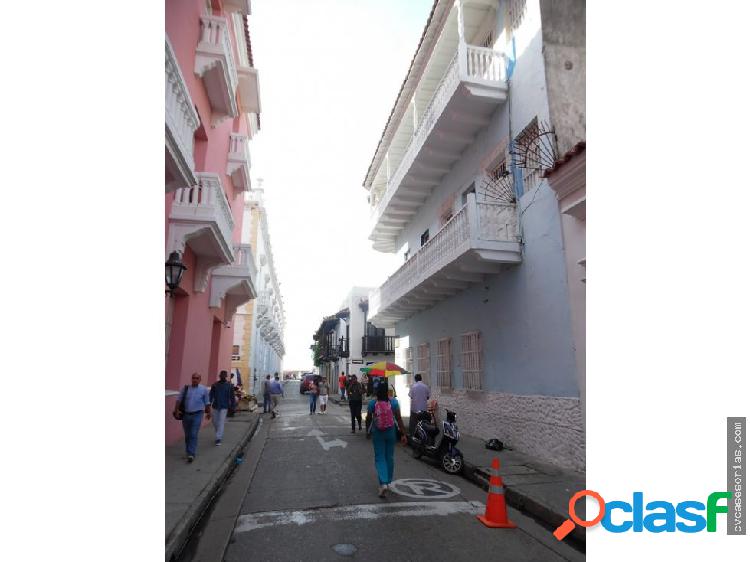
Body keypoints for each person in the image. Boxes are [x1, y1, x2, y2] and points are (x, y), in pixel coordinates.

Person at [366, 382, 408, 497]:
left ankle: (383, 483)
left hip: (378, 433)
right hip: (391, 432)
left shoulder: (372, 403)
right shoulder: (394, 402)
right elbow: (399, 419)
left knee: (380, 457)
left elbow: (369, 418)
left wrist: (367, 432)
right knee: (389, 457)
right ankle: (388, 482)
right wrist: (404, 434)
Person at [173, 373, 211, 463]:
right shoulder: (186, 389)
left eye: (197, 378)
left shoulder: (204, 390)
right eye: (193, 378)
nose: (195, 379)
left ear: (200, 379)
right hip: (186, 415)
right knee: (187, 435)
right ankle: (188, 451)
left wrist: (209, 412)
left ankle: (191, 454)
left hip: (198, 414)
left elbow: (207, 402)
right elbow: (178, 399)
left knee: (193, 434)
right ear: (191, 379)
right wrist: (176, 410)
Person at [209, 370, 236, 446]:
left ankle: (218, 438)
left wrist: (233, 407)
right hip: (215, 405)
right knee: (214, 421)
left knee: (221, 422)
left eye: (224, 375)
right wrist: (208, 404)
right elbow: (211, 395)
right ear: (219, 376)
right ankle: (219, 433)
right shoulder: (215, 385)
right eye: (222, 375)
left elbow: (232, 397)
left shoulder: (229, 385)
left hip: (224, 406)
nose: (223, 377)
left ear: (226, 376)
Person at [408, 373, 430, 439]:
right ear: (421, 379)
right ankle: (422, 436)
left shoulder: (413, 387)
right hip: (423, 409)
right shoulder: (426, 387)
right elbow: (428, 397)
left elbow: (411, 396)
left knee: (413, 423)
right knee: (423, 423)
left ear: (415, 379)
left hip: (415, 408)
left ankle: (412, 436)